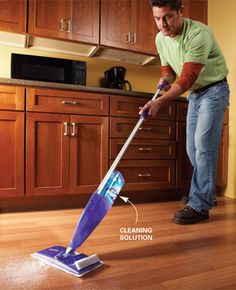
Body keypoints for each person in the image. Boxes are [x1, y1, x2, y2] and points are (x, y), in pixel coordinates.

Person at [139, 0, 229, 224]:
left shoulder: (199, 33)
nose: (163, 25)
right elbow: (168, 68)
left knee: (203, 145)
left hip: (214, 89)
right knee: (192, 148)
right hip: (196, 94)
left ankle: (200, 205)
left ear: (180, 12)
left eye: (168, 17)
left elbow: (188, 77)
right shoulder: (161, 38)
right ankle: (206, 194)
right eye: (157, 19)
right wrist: (164, 79)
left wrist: (160, 102)